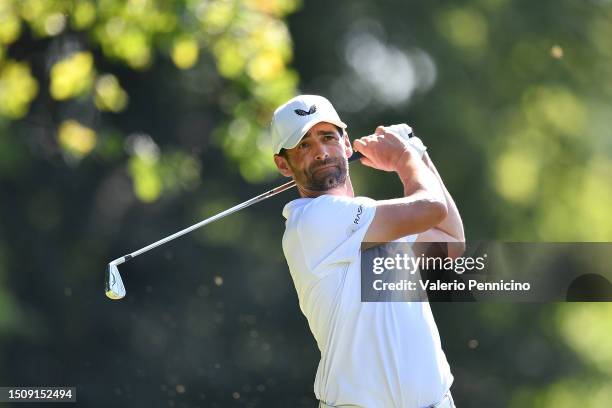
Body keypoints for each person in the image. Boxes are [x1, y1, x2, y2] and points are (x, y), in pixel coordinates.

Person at [271, 94, 465, 408]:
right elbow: (430, 207)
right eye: (303, 145)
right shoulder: (310, 222)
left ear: (346, 144)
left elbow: (449, 241)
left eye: (328, 137)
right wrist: (404, 158)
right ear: (283, 164)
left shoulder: (376, 221)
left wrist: (419, 153)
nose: (321, 152)